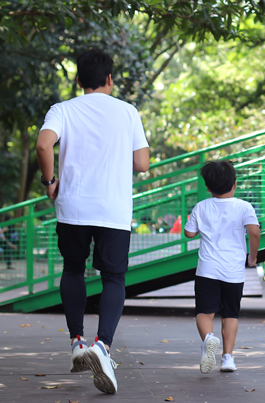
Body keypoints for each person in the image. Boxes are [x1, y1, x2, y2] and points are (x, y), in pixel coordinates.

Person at [35, 49, 150, 394]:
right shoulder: (127, 112)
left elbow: (43, 146)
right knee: (113, 276)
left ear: (79, 80)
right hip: (113, 210)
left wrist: (49, 181)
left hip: (73, 207)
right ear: (110, 79)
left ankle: (77, 343)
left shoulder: (63, 110)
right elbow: (142, 163)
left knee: (73, 269)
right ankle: (102, 346)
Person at [184, 161, 261, 374]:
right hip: (233, 272)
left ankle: (208, 339)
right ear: (234, 184)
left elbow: (189, 233)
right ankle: (228, 358)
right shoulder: (244, 207)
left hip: (207, 270)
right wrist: (252, 257)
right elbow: (254, 232)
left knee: (204, 312)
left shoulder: (202, 206)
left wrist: (199, 227)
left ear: (208, 187)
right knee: (230, 315)